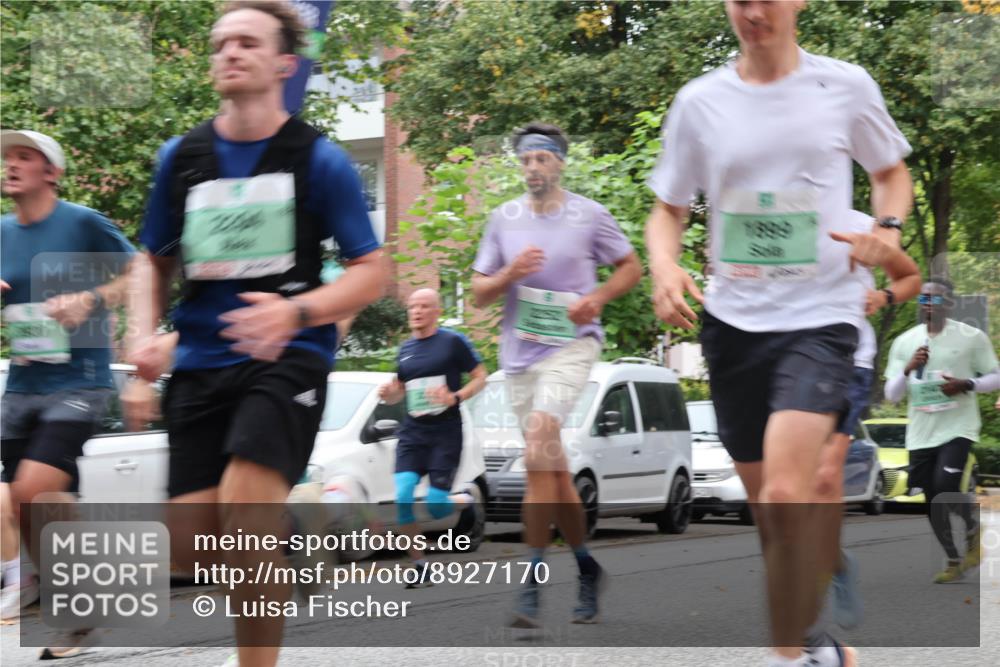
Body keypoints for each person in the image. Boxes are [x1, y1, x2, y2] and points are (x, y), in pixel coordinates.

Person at [644, 1, 916, 664]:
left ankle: (787, 656)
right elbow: (667, 209)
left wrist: (887, 231)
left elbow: (890, 173)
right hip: (734, 325)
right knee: (770, 512)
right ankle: (817, 644)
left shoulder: (844, 86)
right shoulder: (700, 102)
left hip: (821, 316)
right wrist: (664, 266)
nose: (754, 10)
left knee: (792, 492)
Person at [127, 2, 386, 666]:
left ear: (284, 64)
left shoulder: (319, 160)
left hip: (286, 358)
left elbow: (372, 272)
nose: (230, 53)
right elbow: (151, 260)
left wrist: (295, 314)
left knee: (245, 517)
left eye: (247, 42)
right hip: (199, 362)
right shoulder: (181, 158)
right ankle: (297, 531)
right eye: (220, 44)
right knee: (191, 546)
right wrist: (143, 340)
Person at [472, 122, 642, 627]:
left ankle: (531, 582)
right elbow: (479, 293)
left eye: (542, 158)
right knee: (553, 472)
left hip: (571, 346)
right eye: (525, 159)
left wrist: (597, 298)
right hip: (520, 356)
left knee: (538, 447)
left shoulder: (590, 215)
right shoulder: (503, 220)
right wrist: (510, 273)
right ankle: (587, 567)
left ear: (560, 163)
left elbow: (630, 267)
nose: (533, 167)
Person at [1, 130, 135, 649]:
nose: (11, 164)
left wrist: (89, 300)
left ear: (52, 172)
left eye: (25, 157)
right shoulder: (2, 231)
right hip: (23, 383)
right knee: (28, 502)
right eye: (8, 157)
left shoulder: (82, 222)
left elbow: (139, 273)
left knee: (31, 490)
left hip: (79, 380)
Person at [884, 278, 999, 583]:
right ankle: (954, 559)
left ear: (949, 304)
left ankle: (973, 531)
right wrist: (908, 368)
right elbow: (892, 395)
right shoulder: (905, 342)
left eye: (934, 299)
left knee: (945, 484)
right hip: (921, 433)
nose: (927, 304)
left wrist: (967, 383)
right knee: (932, 498)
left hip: (958, 427)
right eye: (923, 299)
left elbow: (996, 377)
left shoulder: (971, 337)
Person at [376, 288, 488, 587]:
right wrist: (389, 394)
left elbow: (481, 376)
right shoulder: (406, 349)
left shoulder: (452, 342)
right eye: (412, 306)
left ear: (437, 311)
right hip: (413, 433)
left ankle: (466, 500)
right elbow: (399, 390)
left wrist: (456, 397)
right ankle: (420, 565)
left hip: (445, 433)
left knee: (437, 507)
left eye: (424, 306)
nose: (417, 311)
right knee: (403, 497)